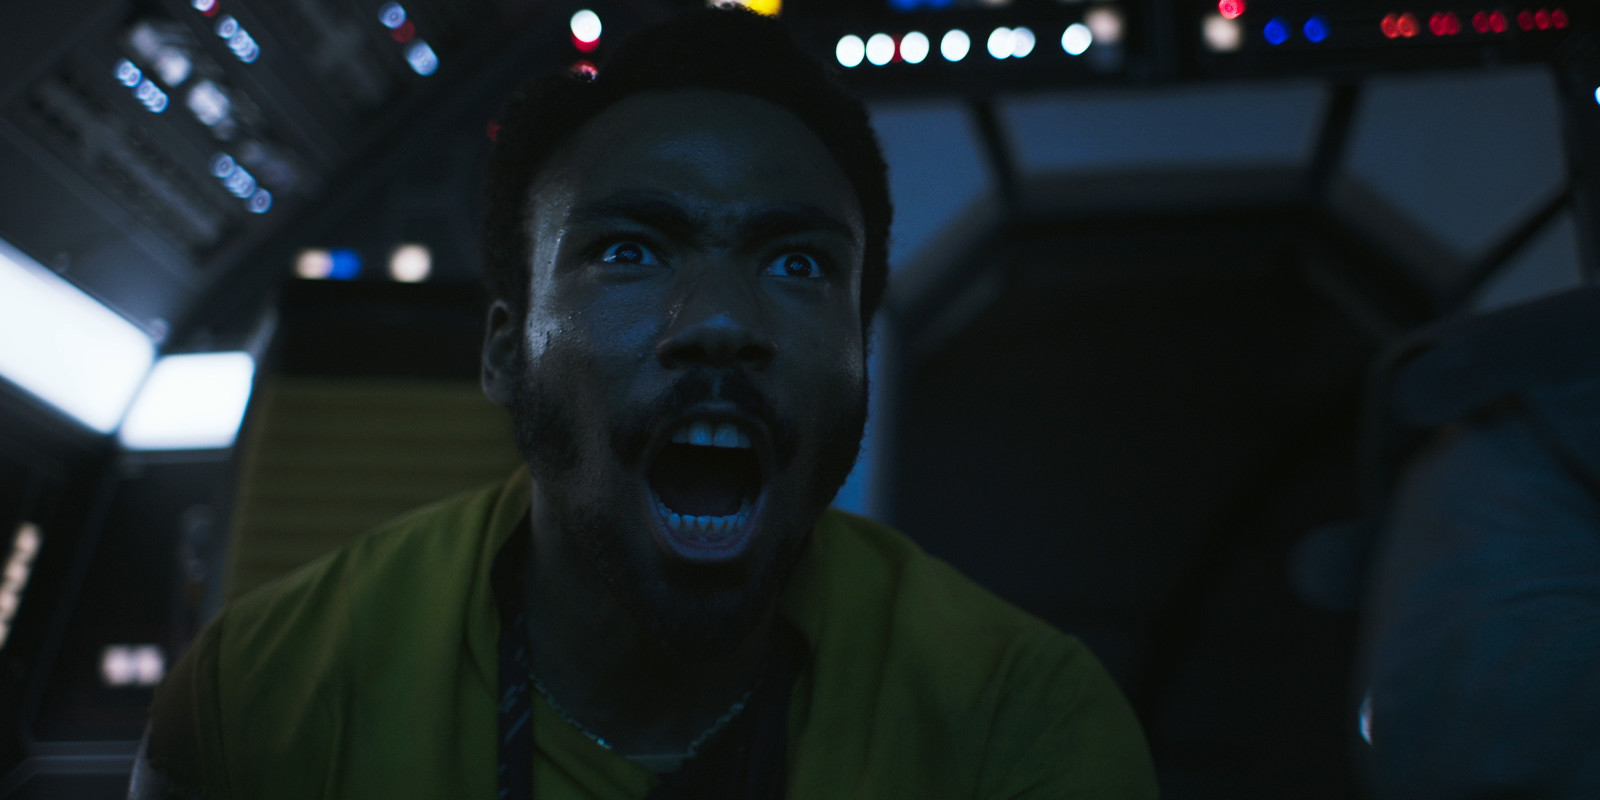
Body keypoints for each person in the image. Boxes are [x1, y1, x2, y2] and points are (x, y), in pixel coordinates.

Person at [130, 8, 1157, 798]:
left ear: (859, 357)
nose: (721, 319)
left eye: (798, 263)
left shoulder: (1019, 726)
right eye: (627, 250)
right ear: (504, 353)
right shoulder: (258, 701)